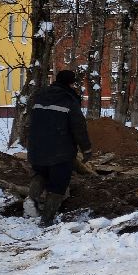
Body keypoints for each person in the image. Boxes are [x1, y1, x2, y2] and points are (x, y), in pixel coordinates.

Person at [24, 69, 92, 226]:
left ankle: (31, 199)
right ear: (71, 83)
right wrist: (86, 149)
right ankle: (47, 219)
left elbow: (30, 121)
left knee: (40, 173)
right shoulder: (69, 100)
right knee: (58, 183)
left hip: (37, 147)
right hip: (60, 150)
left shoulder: (40, 96)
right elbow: (79, 128)